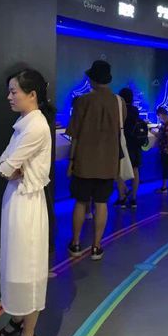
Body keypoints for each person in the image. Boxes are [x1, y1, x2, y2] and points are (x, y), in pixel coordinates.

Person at [0, 69, 53, 336]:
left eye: (14, 91)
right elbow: (4, 163)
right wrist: (10, 168)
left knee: (27, 267)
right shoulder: (24, 123)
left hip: (27, 204)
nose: (9, 96)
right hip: (16, 200)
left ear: (32, 94)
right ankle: (18, 319)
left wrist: (11, 168)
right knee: (13, 263)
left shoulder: (35, 126)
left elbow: (6, 167)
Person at [66, 61, 125, 261]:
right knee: (101, 203)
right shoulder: (119, 103)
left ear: (92, 79)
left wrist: (71, 161)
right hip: (108, 162)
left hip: (84, 161)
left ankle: (75, 243)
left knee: (80, 202)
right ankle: (96, 247)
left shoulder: (82, 101)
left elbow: (75, 135)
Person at [114, 87, 143, 208]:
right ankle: (134, 198)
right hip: (135, 144)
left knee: (119, 171)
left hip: (123, 144)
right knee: (135, 170)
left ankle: (122, 198)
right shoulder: (135, 110)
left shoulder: (120, 110)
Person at [153, 107, 168, 194]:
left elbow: (160, 136)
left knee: (165, 168)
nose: (159, 118)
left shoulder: (163, 125)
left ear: (161, 114)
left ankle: (164, 188)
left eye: (159, 116)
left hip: (164, 149)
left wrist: (152, 131)